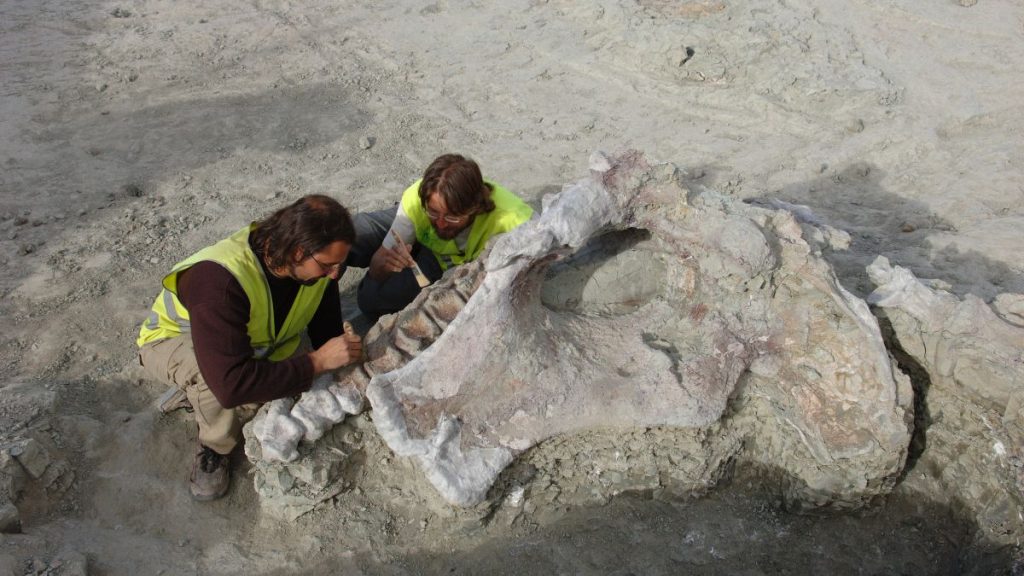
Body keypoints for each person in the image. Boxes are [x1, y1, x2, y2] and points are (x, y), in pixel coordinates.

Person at [136, 195, 363, 501]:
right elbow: (232, 386)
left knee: (281, 380)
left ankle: (211, 391)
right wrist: (317, 362)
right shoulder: (220, 281)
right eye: (327, 265)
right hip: (174, 339)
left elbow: (326, 329)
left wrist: (339, 354)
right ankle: (214, 448)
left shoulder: (314, 268)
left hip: (254, 342)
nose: (335, 274)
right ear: (298, 251)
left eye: (340, 264)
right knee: (217, 384)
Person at [347, 154, 534, 320]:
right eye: (434, 212)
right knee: (344, 232)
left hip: (441, 259)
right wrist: (379, 267)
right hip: (415, 225)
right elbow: (383, 257)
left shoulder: (515, 220)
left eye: (453, 217)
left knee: (371, 302)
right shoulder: (416, 200)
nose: (442, 224)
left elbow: (547, 245)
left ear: (475, 208)